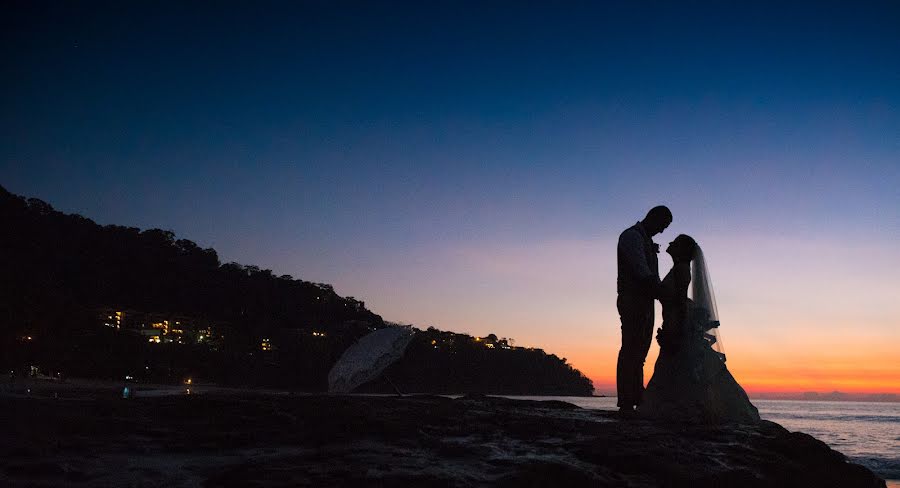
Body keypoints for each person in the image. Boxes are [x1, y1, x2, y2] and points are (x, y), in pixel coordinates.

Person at [640, 235, 760, 423]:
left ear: (681, 250)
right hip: (672, 320)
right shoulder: (678, 268)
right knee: (675, 370)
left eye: (675, 242)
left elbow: (679, 301)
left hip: (675, 323)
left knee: (675, 369)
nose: (670, 243)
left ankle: (681, 412)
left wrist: (676, 330)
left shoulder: (681, 270)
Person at [616, 206, 672, 416]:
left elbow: (650, 275)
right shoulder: (631, 237)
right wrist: (663, 293)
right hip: (632, 299)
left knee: (641, 351)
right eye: (663, 225)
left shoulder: (645, 240)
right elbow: (641, 270)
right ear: (654, 217)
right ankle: (626, 400)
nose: (663, 231)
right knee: (630, 348)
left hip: (646, 300)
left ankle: (636, 395)